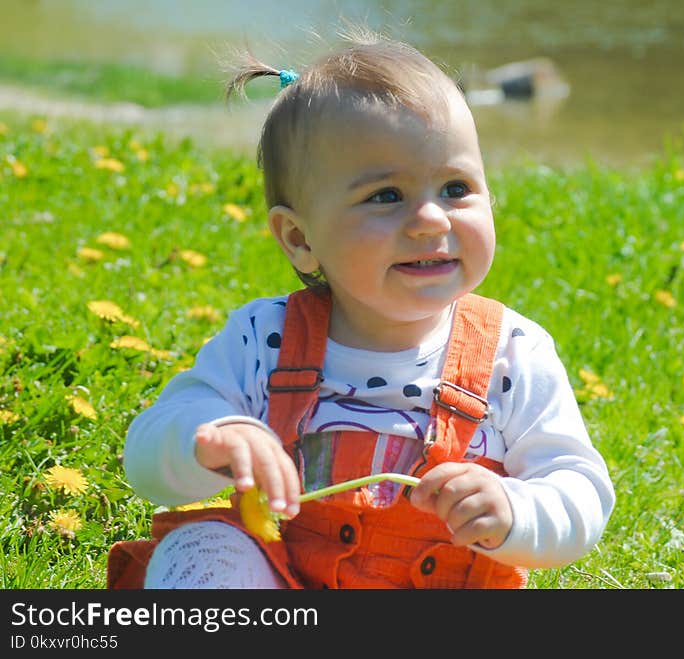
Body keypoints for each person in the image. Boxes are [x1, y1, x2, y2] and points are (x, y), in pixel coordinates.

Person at [109, 27, 615, 589]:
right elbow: (149, 457)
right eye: (385, 196)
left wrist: (515, 509)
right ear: (300, 238)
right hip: (285, 580)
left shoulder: (512, 354)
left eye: (455, 187)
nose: (432, 219)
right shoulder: (265, 337)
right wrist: (211, 438)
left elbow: (579, 486)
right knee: (200, 545)